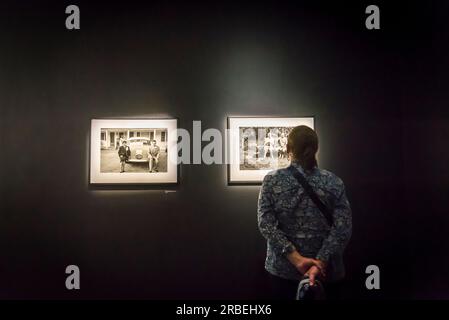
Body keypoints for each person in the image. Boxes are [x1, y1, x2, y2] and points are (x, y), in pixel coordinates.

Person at [257, 125, 352, 300]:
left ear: (288, 149)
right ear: (316, 149)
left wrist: (296, 259)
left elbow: (266, 224)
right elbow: (342, 228)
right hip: (327, 272)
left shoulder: (272, 181)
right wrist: (320, 262)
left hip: (284, 270)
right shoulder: (333, 182)